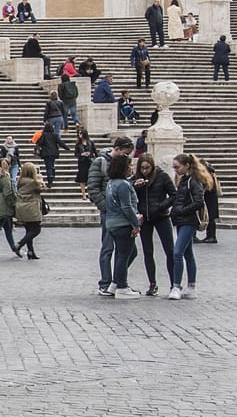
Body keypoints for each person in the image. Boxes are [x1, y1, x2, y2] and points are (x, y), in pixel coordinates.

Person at [133, 154, 176, 297]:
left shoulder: (162, 176)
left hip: (162, 216)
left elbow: (174, 195)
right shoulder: (136, 178)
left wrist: (160, 206)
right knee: (147, 252)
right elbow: (131, 197)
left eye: (148, 168)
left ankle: (174, 283)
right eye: (142, 168)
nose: (145, 171)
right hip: (145, 218)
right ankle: (152, 283)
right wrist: (136, 187)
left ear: (152, 166)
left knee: (169, 250)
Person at [99, 154, 141, 296]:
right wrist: (135, 224)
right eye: (129, 165)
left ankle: (115, 283)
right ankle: (122, 286)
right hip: (122, 222)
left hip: (112, 222)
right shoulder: (123, 184)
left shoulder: (111, 183)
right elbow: (127, 207)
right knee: (123, 254)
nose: (131, 168)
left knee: (127, 252)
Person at [168, 153, 207, 299]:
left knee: (177, 252)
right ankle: (191, 286)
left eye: (177, 167)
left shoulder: (193, 181)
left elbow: (199, 202)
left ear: (186, 166)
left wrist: (181, 211)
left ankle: (176, 285)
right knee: (188, 253)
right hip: (182, 220)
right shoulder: (185, 180)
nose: (175, 170)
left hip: (188, 221)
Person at [13, 161, 46, 260]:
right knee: (36, 230)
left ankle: (31, 252)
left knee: (29, 230)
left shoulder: (20, 181)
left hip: (21, 207)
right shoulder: (33, 182)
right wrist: (41, 179)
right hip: (31, 208)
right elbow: (42, 188)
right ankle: (19, 244)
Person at [198, 157, 222, 244]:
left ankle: (211, 236)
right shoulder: (211, 172)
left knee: (210, 217)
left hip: (209, 198)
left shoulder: (207, 174)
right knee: (211, 217)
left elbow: (207, 187)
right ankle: (211, 236)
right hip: (212, 197)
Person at [73, 127, 97, 199]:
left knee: (90, 178)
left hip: (90, 161)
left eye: (81, 133)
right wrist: (82, 154)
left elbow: (95, 152)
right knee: (82, 178)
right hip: (82, 162)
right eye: (79, 133)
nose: (79, 135)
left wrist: (94, 157)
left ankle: (89, 193)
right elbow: (75, 154)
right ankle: (84, 194)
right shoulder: (78, 144)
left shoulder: (90, 142)